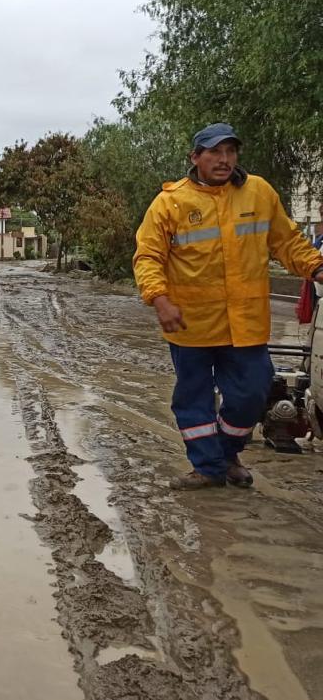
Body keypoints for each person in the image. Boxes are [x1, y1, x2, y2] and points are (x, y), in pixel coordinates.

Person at [133, 123, 323, 490]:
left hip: (246, 322)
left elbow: (286, 241)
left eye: (230, 151)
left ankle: (225, 453)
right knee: (194, 398)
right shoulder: (170, 203)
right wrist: (160, 299)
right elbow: (148, 256)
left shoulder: (259, 193)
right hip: (191, 324)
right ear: (195, 157)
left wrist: (315, 267)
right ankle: (208, 468)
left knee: (252, 392)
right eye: (214, 152)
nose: (224, 159)